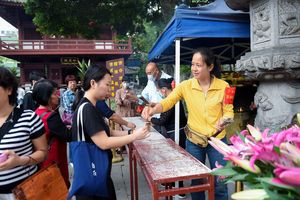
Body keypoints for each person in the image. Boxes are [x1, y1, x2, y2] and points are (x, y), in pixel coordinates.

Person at [142, 47, 234, 200]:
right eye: (192, 64)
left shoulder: (224, 86)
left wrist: (225, 120)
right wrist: (153, 109)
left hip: (217, 141)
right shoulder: (185, 86)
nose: (194, 68)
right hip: (194, 141)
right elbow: (168, 102)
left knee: (221, 182)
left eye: (198, 65)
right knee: (196, 183)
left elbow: (229, 112)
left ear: (210, 67)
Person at [72, 65, 150, 200]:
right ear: (93, 83)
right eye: (107, 84)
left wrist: (132, 132)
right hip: (93, 178)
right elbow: (104, 142)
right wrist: (134, 136)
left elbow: (108, 133)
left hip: (98, 175)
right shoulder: (87, 109)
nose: (109, 89)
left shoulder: (91, 106)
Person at [0, 67, 47, 199]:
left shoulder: (28, 118)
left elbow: (43, 152)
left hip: (23, 192)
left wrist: (19, 160)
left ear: (9, 89)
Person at [146, 78, 187, 199]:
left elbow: (163, 120)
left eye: (159, 90)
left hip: (176, 133)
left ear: (163, 90)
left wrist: (150, 119)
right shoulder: (173, 98)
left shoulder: (171, 101)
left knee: (176, 161)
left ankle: (179, 191)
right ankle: (174, 185)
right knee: (175, 160)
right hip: (177, 131)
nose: (159, 92)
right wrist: (155, 106)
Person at [33, 79, 72, 186]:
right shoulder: (51, 117)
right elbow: (68, 136)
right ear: (47, 96)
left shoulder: (36, 113)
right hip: (54, 162)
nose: (58, 96)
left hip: (42, 163)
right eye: (55, 93)